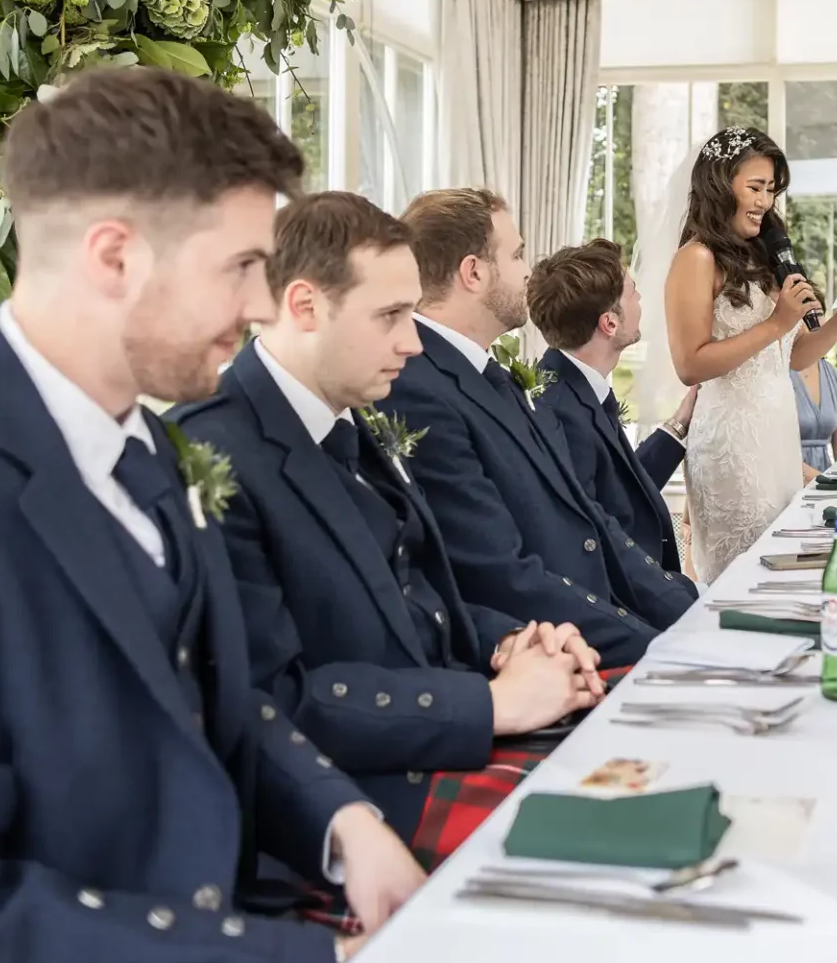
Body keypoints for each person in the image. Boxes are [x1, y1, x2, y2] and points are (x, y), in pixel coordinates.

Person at [0, 68, 423, 963]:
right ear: (114, 256)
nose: (263, 307)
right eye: (242, 268)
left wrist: (345, 824)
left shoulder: (148, 441)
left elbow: (213, 705)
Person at [172, 192, 604, 868]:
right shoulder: (214, 454)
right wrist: (489, 705)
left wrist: (513, 642)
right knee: (608, 855)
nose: (412, 341)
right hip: (356, 798)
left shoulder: (348, 415)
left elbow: (415, 602)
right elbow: (272, 700)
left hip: (437, 740)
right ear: (305, 306)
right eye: (391, 317)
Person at [380, 190, 697, 667]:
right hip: (552, 655)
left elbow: (591, 524)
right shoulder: (419, 388)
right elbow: (500, 573)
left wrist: (693, 615)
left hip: (598, 628)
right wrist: (656, 647)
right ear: (473, 272)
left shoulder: (497, 379)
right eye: (517, 254)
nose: (528, 271)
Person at [664, 127, 837, 581]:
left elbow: (794, 356)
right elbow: (689, 364)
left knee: (782, 574)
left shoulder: (762, 257)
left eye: (772, 190)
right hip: (731, 447)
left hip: (777, 439)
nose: (766, 201)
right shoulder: (696, 258)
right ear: (721, 185)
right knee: (744, 579)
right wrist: (777, 323)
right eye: (756, 187)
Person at [530, 238, 698, 571]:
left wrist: (681, 422)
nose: (640, 301)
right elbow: (601, 540)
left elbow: (620, 490)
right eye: (633, 293)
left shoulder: (573, 386)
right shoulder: (558, 411)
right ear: (610, 323)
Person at [793, 356, 837, 476]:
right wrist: (826, 482)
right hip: (791, 478)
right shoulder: (779, 375)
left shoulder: (835, 375)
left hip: (824, 477)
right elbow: (778, 454)